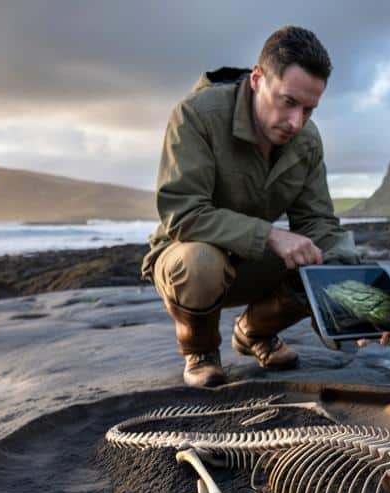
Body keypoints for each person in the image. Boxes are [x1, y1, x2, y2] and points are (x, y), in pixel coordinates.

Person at [143, 26, 363, 387]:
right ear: (258, 79)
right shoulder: (196, 115)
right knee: (199, 263)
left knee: (330, 255)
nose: (297, 122)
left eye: (309, 109)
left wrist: (347, 295)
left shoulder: (307, 139)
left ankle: (254, 333)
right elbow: (182, 214)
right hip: (186, 256)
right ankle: (200, 349)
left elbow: (319, 224)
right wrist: (271, 236)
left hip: (251, 258)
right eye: (288, 101)